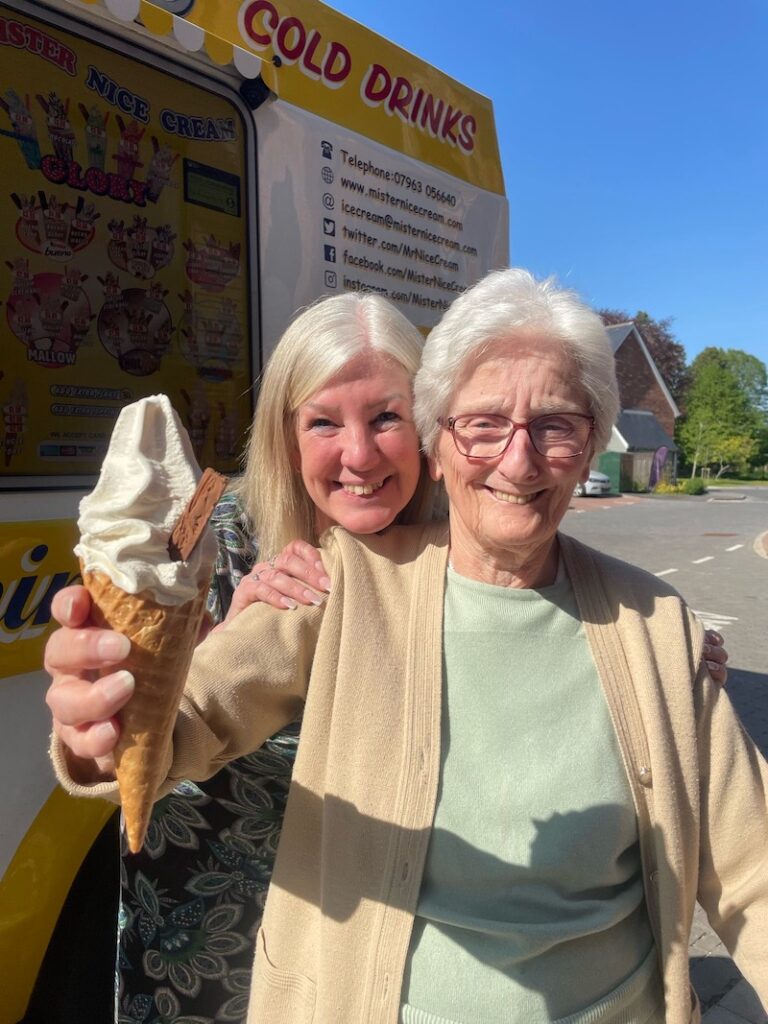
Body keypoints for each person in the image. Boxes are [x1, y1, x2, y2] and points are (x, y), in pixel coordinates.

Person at [47, 268, 761, 1024]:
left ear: (590, 449)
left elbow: (752, 868)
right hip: (254, 937)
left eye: (557, 425)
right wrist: (104, 719)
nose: (518, 462)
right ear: (444, 442)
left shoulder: (653, 623)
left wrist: (676, 665)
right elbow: (184, 721)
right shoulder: (329, 575)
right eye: (484, 424)